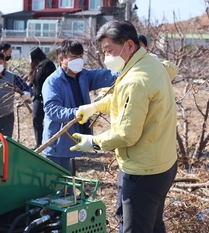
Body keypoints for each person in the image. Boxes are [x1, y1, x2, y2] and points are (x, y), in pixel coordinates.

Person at [70, 20, 178, 233]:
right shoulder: (150, 63)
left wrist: (93, 142)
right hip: (163, 163)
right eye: (104, 51)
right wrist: (95, 106)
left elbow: (127, 135)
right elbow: (124, 99)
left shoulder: (135, 80)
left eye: (109, 50)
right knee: (154, 225)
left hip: (142, 172)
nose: (106, 57)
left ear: (129, 45)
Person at [41, 39, 117, 172]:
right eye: (74, 57)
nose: (79, 60)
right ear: (61, 58)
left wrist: (129, 66)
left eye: (81, 56)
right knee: (60, 186)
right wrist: (77, 112)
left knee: (69, 181)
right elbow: (52, 110)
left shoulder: (83, 76)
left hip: (73, 139)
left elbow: (107, 75)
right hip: (58, 142)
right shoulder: (53, 82)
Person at [0, 51, 33, 137]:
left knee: (5, 141)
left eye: (0, 62)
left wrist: (28, 94)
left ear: (4, 62)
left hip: (7, 117)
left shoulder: (12, 77)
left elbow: (27, 89)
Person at [27, 47, 56, 150]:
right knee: (36, 119)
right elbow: (32, 81)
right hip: (37, 98)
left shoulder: (47, 64)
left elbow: (52, 80)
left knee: (50, 121)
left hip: (47, 98)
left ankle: (50, 143)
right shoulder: (36, 67)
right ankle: (39, 143)